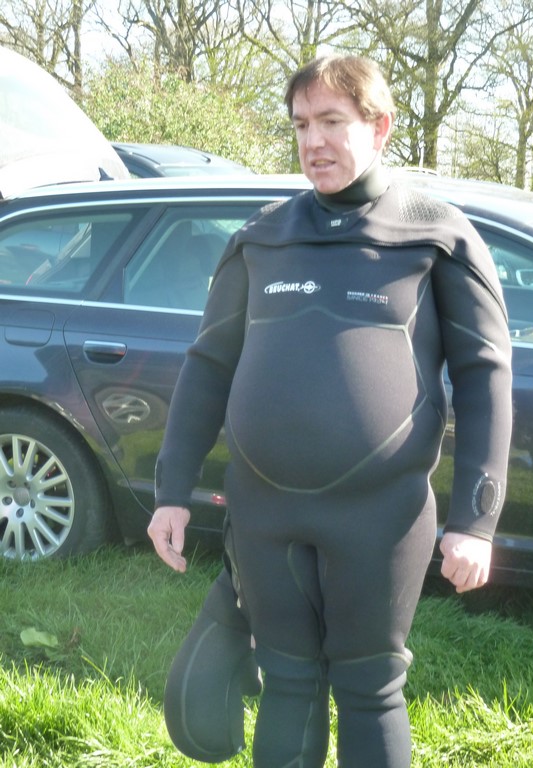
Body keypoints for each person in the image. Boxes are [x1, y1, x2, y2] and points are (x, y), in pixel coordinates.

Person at [148, 55, 513, 768]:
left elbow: (485, 375)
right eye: (300, 125)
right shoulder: (262, 237)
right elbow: (208, 364)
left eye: (331, 122)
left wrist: (476, 521)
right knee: (285, 681)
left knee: (371, 688)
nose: (313, 141)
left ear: (380, 126)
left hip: (380, 518)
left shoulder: (435, 237)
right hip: (266, 514)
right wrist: (171, 492)